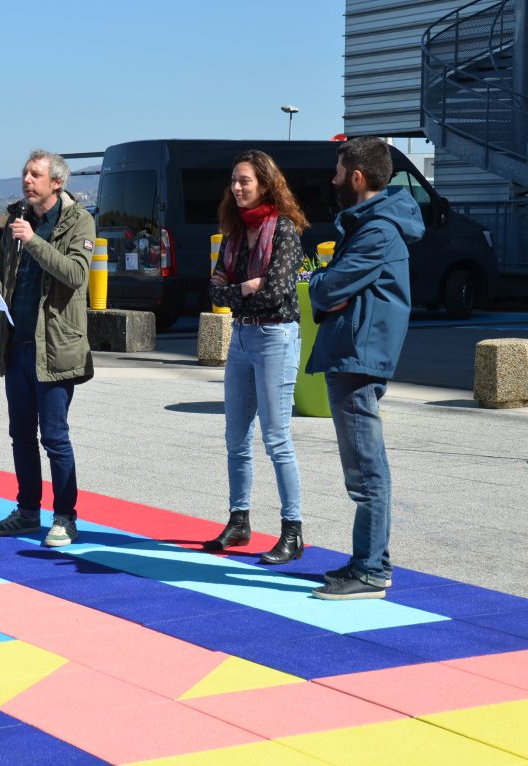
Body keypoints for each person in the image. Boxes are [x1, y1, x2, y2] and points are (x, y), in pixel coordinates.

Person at [306, 137, 424, 600]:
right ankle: (371, 561)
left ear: (357, 177)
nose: (333, 180)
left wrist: (317, 282)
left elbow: (328, 286)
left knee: (366, 471)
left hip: (358, 355)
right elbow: (335, 289)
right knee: (364, 469)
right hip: (354, 351)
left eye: (338, 172)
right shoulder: (370, 223)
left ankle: (371, 570)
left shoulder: (377, 229)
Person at [0, 149, 95, 548]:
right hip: (17, 343)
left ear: (56, 182)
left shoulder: (79, 221)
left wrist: (34, 242)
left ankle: (65, 518)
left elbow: (75, 274)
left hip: (55, 346)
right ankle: (27, 512)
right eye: (25, 173)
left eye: (35, 174)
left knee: (55, 437)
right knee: (20, 434)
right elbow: (7, 270)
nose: (26, 179)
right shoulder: (17, 219)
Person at [203, 150, 310, 565]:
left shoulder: (283, 229)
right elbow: (215, 293)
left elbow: (278, 291)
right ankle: (239, 520)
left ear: (265, 183)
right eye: (233, 180)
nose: (237, 187)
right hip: (242, 338)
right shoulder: (232, 233)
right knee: (235, 438)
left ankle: (293, 530)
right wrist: (245, 287)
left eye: (244, 180)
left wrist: (242, 288)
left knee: (277, 437)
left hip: (275, 337)